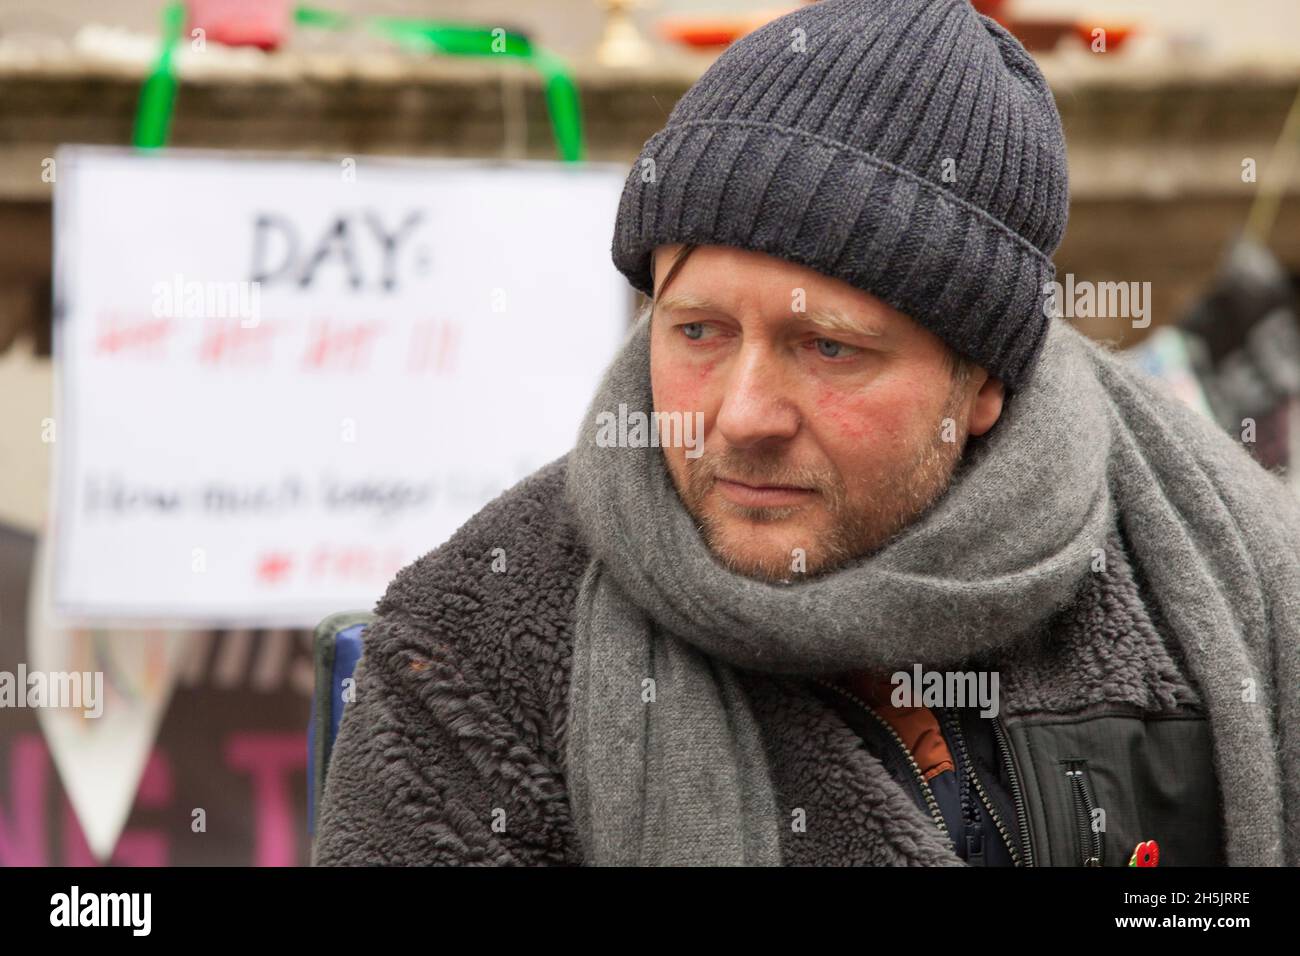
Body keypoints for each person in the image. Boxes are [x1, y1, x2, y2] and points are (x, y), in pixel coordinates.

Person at [313, 0, 1300, 866]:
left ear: (984, 382)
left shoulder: (1204, 593)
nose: (740, 417)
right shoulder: (473, 648)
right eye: (697, 330)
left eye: (828, 349)